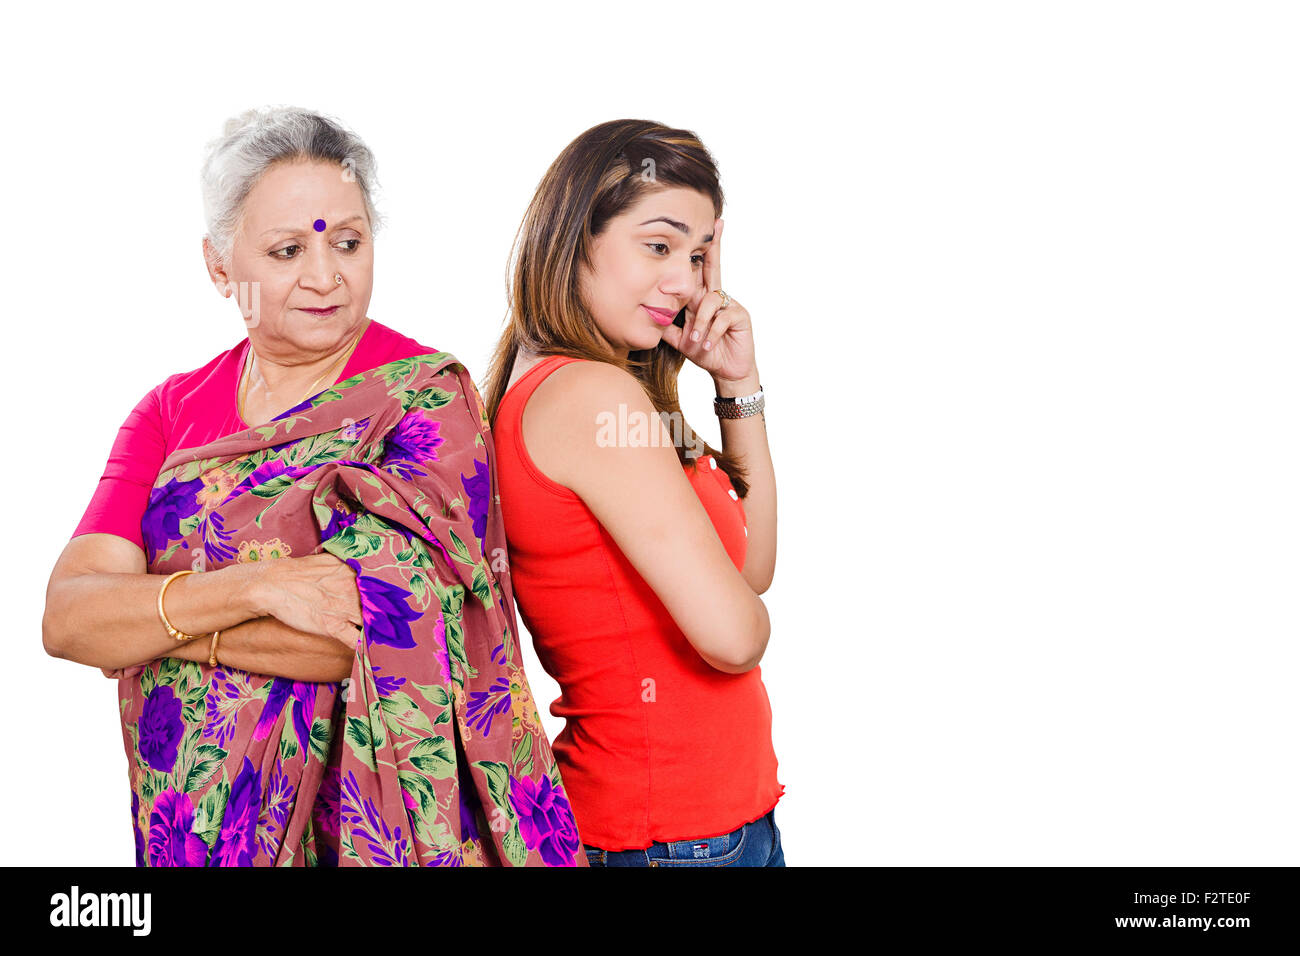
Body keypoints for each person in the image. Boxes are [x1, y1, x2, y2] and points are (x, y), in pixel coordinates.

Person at [43, 106, 584, 867]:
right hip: (194, 828)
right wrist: (263, 588)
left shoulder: (421, 400)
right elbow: (69, 620)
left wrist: (154, 632)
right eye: (289, 248)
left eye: (349, 242)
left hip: (365, 832)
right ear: (219, 266)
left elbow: (383, 637)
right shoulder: (169, 411)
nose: (326, 276)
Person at [483, 119, 785, 866]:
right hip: (670, 838)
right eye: (658, 245)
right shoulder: (589, 397)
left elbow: (750, 571)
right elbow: (735, 634)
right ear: (574, 238)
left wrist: (736, 385)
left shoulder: (613, 394)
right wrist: (746, 620)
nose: (685, 280)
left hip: (702, 829)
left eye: (699, 253)